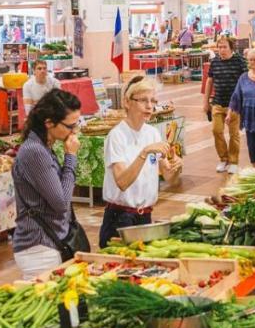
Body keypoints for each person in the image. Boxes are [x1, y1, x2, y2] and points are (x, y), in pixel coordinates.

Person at [10, 88, 83, 278]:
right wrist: (70, 157)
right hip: (40, 247)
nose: (74, 131)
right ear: (49, 122)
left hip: (50, 242)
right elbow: (61, 203)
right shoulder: (35, 152)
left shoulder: (43, 147)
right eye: (69, 126)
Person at [100, 77, 180, 247]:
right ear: (127, 102)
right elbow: (122, 182)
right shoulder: (117, 136)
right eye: (143, 100)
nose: (150, 106)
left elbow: (169, 178)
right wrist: (144, 153)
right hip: (120, 219)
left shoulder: (152, 133)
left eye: (153, 101)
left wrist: (176, 168)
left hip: (145, 216)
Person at [204, 35, 246, 174]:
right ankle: (224, 159)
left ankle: (233, 161)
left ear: (231, 47)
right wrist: (205, 102)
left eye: (224, 47)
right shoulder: (214, 62)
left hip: (234, 104)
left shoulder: (240, 61)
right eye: (219, 47)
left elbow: (245, 82)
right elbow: (209, 81)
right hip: (217, 103)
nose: (221, 50)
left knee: (234, 134)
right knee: (216, 131)